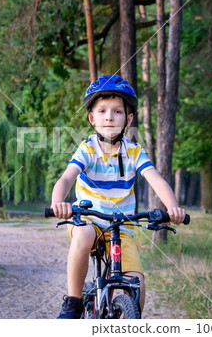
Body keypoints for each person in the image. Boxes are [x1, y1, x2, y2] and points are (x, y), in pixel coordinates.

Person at [51, 74, 186, 319]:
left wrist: (173, 207)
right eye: (102, 111)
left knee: (137, 284)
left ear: (128, 118)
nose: (109, 117)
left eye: (117, 111)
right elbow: (66, 178)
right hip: (88, 220)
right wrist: (58, 203)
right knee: (83, 233)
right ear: (92, 119)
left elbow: (155, 179)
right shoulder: (87, 149)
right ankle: (73, 301)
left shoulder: (134, 152)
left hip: (121, 227)